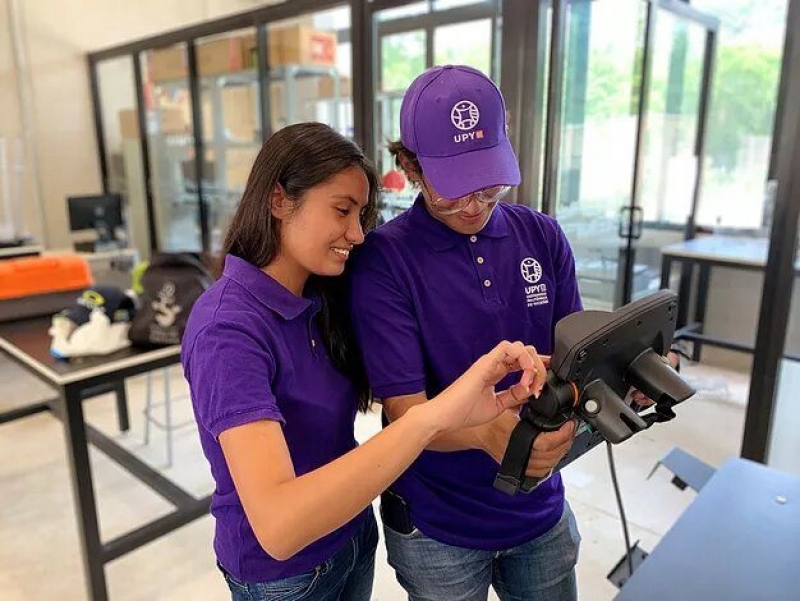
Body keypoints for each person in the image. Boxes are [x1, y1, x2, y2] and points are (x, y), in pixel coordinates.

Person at [350, 65, 679, 601]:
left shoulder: (541, 235)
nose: (475, 206)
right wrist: (483, 434)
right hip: (439, 527)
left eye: (488, 185)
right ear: (409, 167)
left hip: (540, 514)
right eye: (452, 192)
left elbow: (576, 360)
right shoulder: (386, 261)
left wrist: (626, 380)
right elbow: (404, 412)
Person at [181, 122, 547, 601]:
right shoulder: (227, 330)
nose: (357, 234)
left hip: (351, 537)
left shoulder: (319, 298)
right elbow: (279, 524)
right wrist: (434, 417)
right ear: (278, 201)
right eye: (341, 211)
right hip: (284, 576)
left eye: (362, 214)